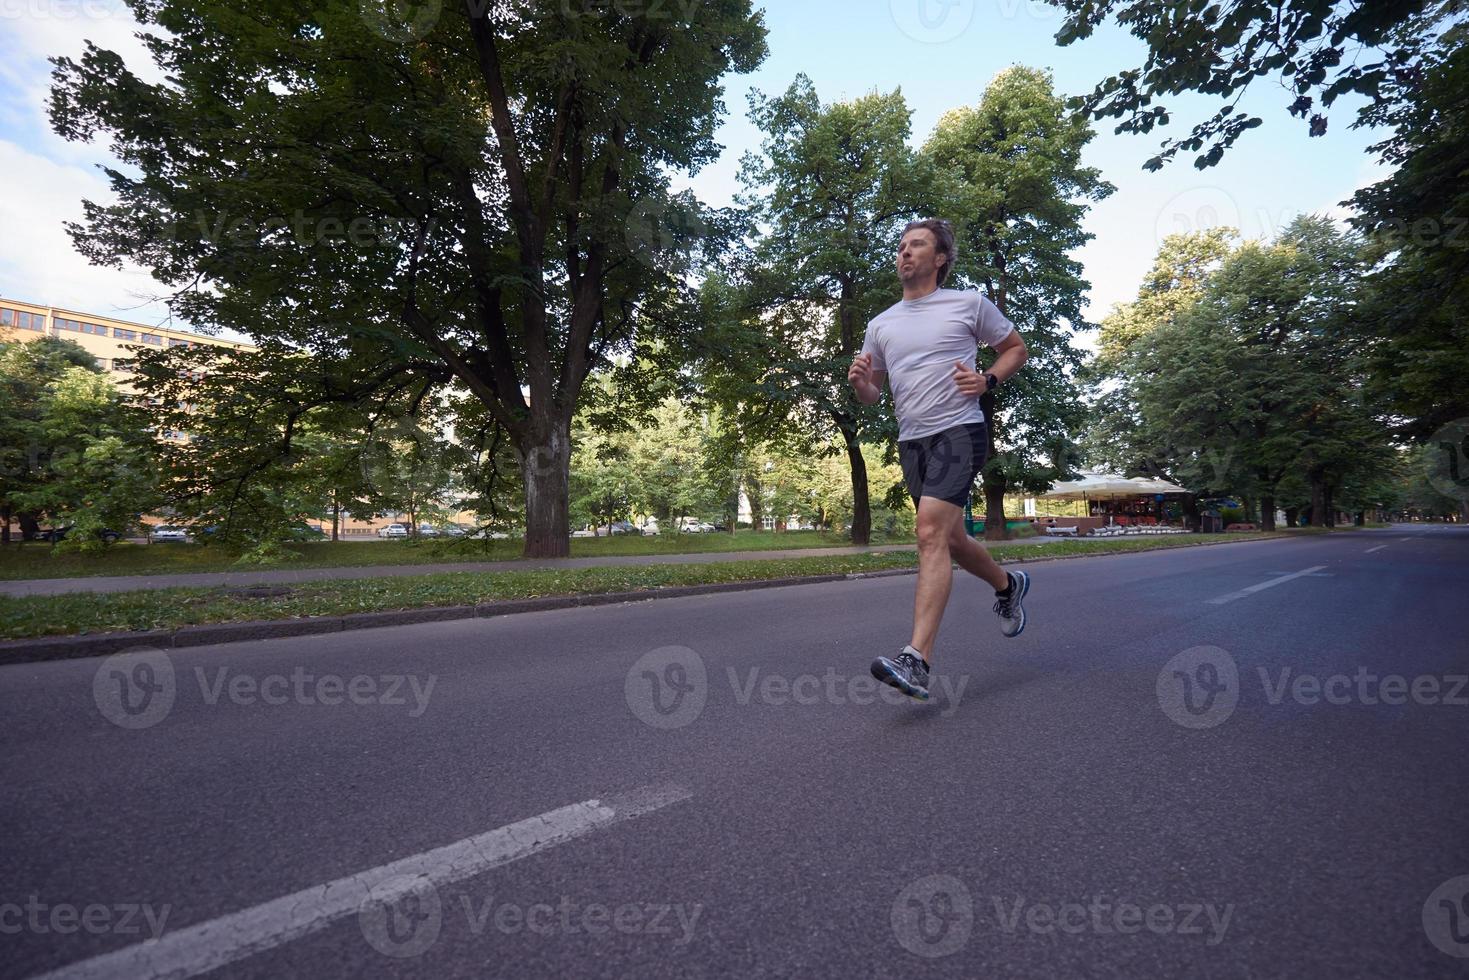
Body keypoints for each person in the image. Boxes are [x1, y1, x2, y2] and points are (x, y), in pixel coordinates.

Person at [848, 218, 1030, 702]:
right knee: (948, 538)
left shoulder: (967, 304)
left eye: (917, 246)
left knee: (928, 531)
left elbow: (1015, 349)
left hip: (960, 430)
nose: (905, 253)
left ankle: (917, 660)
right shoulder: (881, 323)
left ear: (940, 258)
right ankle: (1008, 585)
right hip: (913, 440)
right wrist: (861, 381)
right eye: (902, 247)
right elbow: (872, 395)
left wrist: (987, 380)